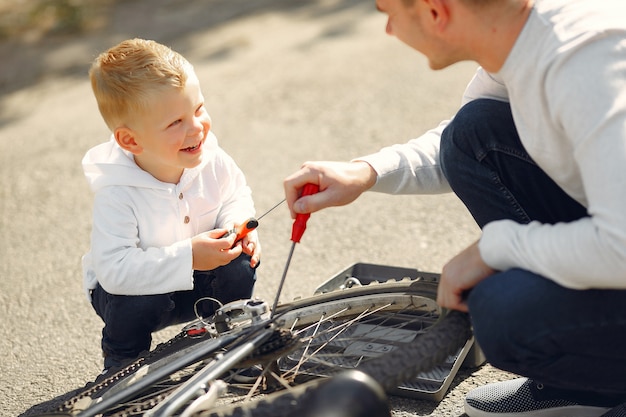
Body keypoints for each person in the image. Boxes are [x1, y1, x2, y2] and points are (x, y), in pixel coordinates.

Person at [284, 0, 626, 416]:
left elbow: (621, 247)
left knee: (501, 315)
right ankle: (589, 387)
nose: (389, 30)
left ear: (434, 12)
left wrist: (494, 247)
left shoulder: (584, 60)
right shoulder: (525, 36)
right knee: (473, 133)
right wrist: (366, 172)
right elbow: (459, 143)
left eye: (387, 11)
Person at [82, 38, 261, 373]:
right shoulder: (118, 193)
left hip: (201, 284)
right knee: (132, 292)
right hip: (131, 299)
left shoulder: (213, 159)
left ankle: (231, 337)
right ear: (131, 140)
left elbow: (236, 194)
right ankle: (123, 358)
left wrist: (238, 223)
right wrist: (188, 256)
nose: (196, 127)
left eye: (198, 109)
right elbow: (116, 271)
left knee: (240, 260)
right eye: (175, 123)